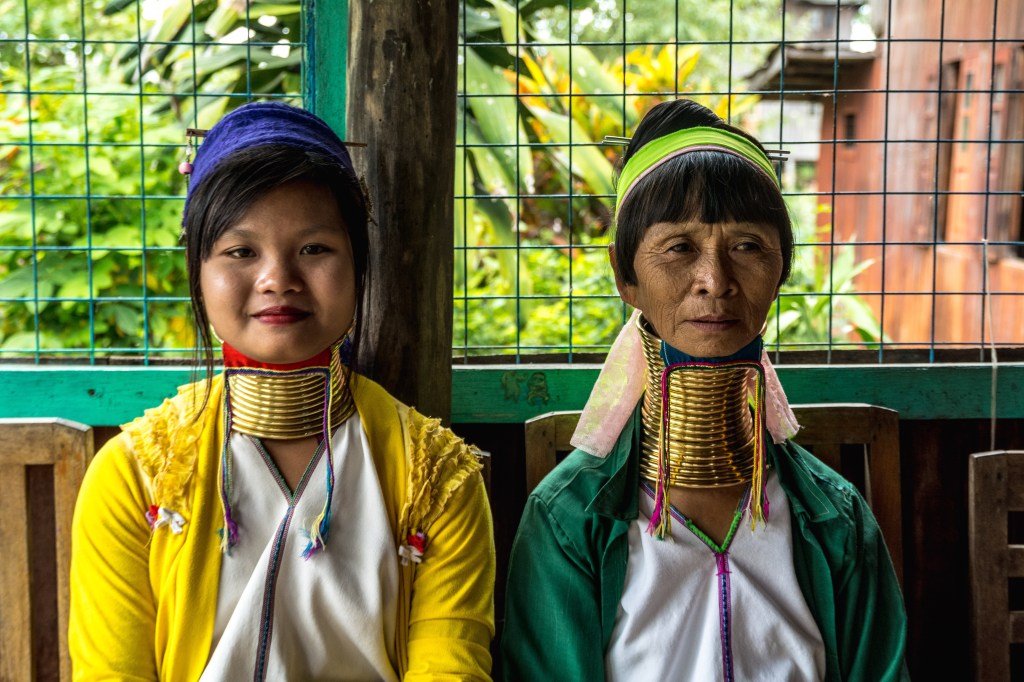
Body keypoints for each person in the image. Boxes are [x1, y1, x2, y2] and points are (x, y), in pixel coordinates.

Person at [69, 101, 495, 681]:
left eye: (314, 249)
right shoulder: (135, 477)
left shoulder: (436, 479)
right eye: (241, 251)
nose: (278, 280)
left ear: (358, 266)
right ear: (198, 269)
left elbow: (450, 668)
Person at [501, 99, 908, 681]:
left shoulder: (834, 519)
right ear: (624, 276)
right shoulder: (568, 521)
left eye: (747, 246)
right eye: (679, 247)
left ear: (781, 271)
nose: (715, 281)